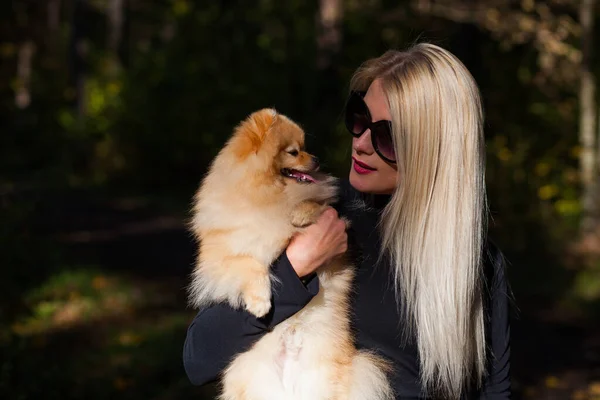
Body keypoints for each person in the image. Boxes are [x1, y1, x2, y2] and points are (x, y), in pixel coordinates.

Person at [183, 43, 511, 399]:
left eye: (386, 136)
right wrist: (295, 269)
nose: (361, 143)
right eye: (359, 118)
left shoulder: (478, 261)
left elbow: (494, 390)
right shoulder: (313, 210)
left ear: (432, 149)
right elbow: (199, 357)